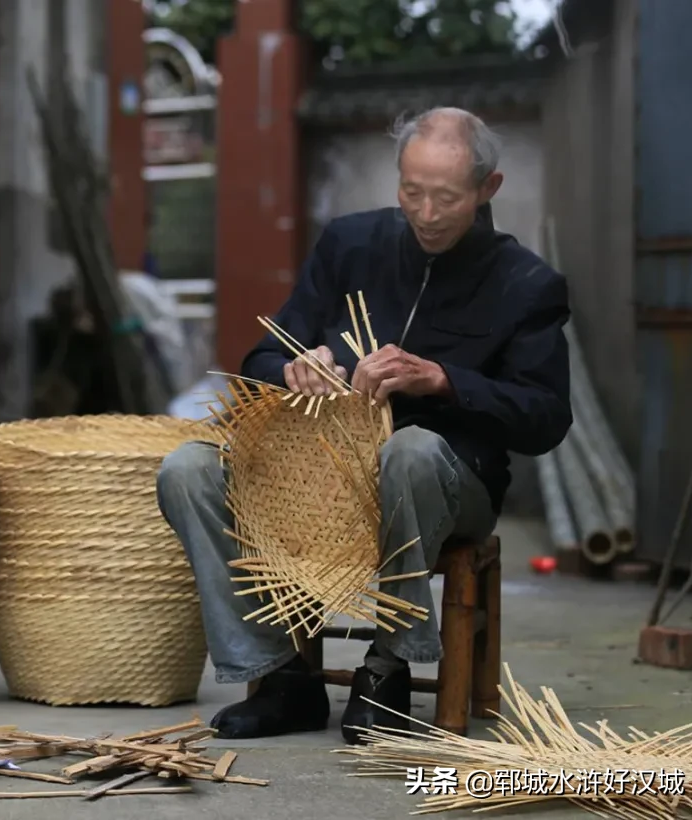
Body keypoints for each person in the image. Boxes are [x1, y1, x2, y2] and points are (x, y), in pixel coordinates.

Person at [155, 107, 573, 745]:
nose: (426, 213)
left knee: (409, 450)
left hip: (444, 484)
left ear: (489, 189)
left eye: (447, 197)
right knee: (187, 469)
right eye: (412, 192)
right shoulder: (349, 243)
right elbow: (260, 360)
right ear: (397, 178)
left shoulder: (527, 284)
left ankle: (388, 668)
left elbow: (545, 418)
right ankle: (282, 676)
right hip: (318, 480)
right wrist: (295, 364)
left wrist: (443, 380)